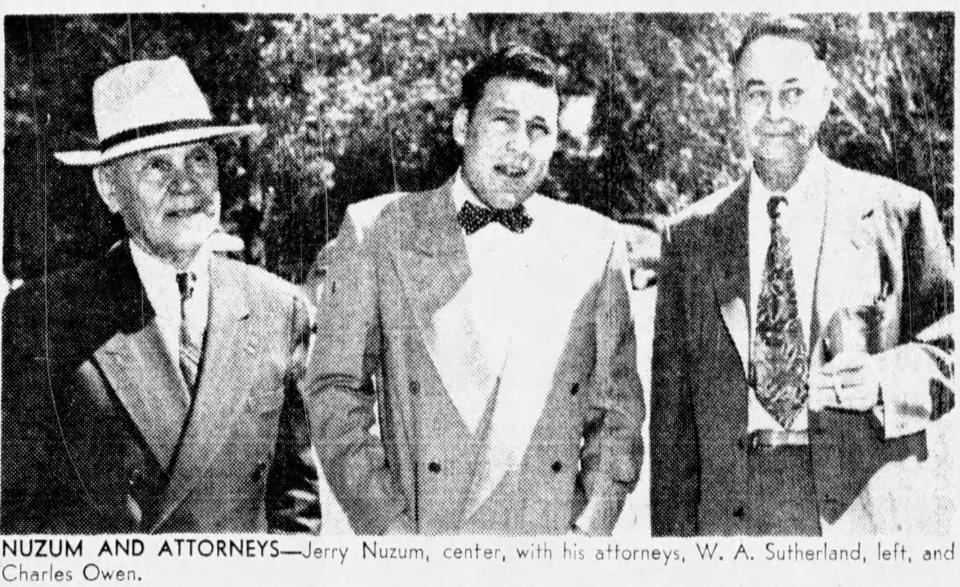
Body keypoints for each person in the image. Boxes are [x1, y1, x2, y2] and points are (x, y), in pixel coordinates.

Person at [305, 45, 644, 535]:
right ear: (463, 126)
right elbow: (335, 395)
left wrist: (587, 536)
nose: (520, 147)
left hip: (548, 557)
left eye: (539, 129)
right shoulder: (377, 231)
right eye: (503, 121)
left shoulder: (596, 245)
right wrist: (392, 535)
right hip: (427, 551)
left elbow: (618, 414)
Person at [650, 17, 955, 536]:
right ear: (735, 104)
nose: (774, 114)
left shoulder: (897, 213)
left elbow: (949, 347)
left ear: (825, 96)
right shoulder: (689, 238)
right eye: (756, 94)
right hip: (731, 520)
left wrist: (885, 380)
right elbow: (672, 428)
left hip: (859, 514)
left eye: (793, 92)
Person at [1, 57, 321, 533]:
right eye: (157, 166)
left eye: (199, 158)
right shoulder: (46, 315)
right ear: (110, 189)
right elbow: (17, 514)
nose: (187, 184)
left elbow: (295, 504)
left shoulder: (280, 307)